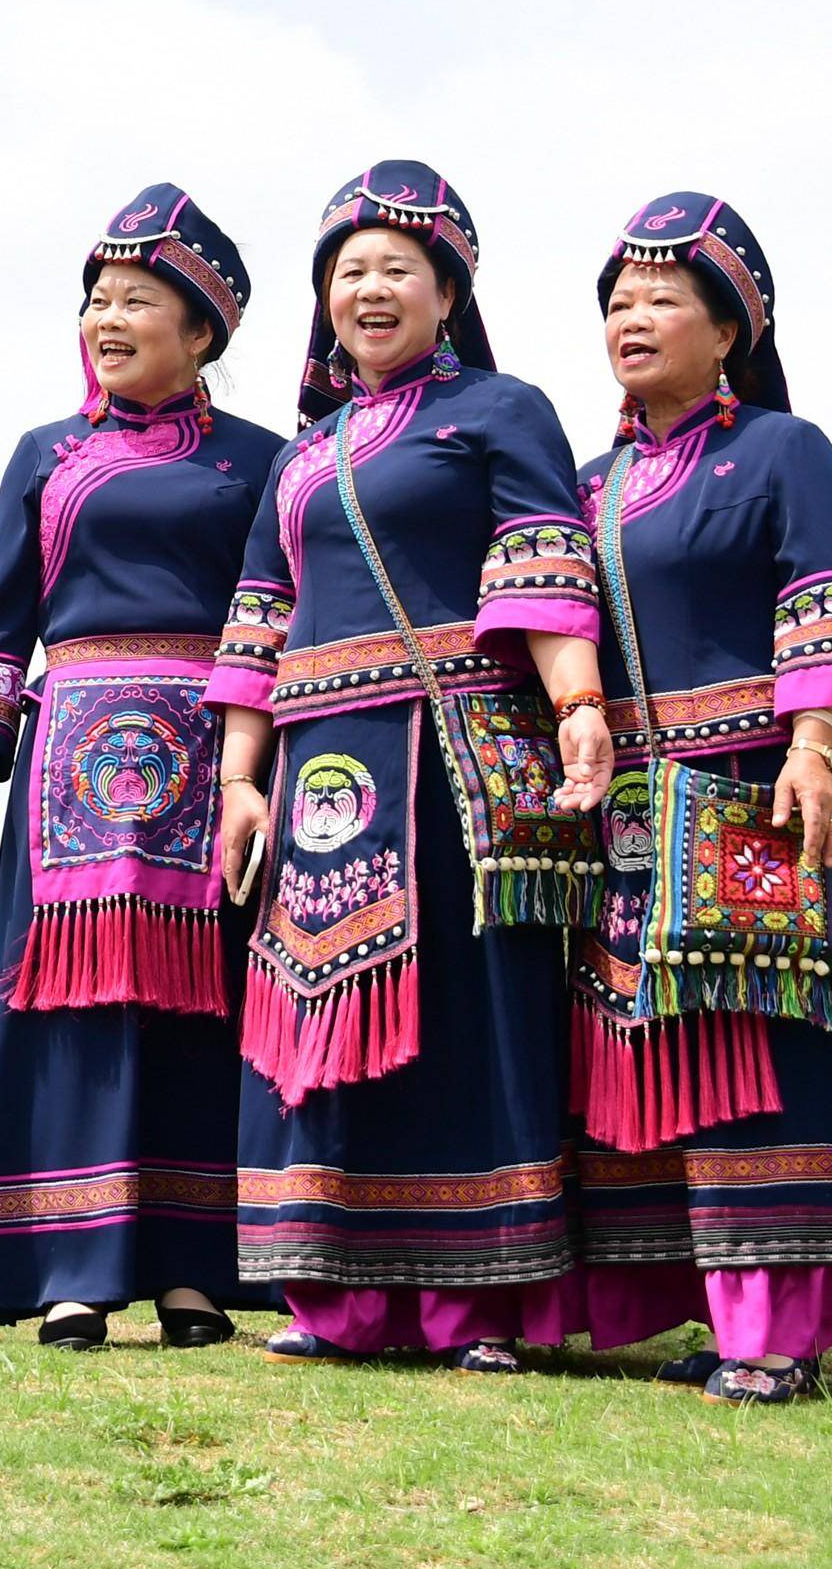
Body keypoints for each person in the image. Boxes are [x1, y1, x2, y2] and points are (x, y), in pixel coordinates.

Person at [569, 193, 832, 1405]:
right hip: (635, 813)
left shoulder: (784, 453)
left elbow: (825, 597)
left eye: (660, 299)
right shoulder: (587, 483)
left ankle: (780, 1326)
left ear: (730, 330)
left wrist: (814, 746)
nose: (630, 320)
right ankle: (714, 1305)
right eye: (615, 303)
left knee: (766, 1059)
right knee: (661, 1059)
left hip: (758, 790)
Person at [205, 161, 614, 1373]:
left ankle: (480, 1302)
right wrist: (240, 778)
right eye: (347, 271)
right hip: (323, 759)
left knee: (463, 1019)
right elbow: (257, 618)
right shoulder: (302, 455)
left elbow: (545, 564)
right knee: (316, 1011)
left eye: (396, 268)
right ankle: (338, 1298)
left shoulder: (502, 410)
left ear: (450, 290)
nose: (368, 289)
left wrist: (578, 703)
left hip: (454, 758)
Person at [0, 183, 289, 1351]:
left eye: (138, 298)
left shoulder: (262, 464)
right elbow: (3, 614)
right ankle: (72, 1269)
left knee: (203, 1008)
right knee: (72, 1007)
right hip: (68, 763)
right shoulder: (46, 454)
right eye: (97, 298)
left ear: (203, 332)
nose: (108, 317)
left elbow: (281, 609)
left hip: (214, 755)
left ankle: (193, 1268)